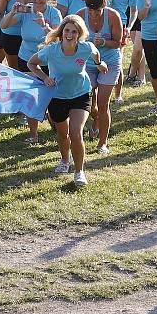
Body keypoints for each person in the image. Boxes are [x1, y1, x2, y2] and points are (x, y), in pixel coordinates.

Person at [28, 15, 107, 187]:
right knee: (62, 134)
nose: (70, 34)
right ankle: (65, 160)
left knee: (75, 133)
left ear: (79, 34)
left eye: (74, 31)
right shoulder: (51, 50)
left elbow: (96, 54)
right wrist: (44, 77)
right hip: (57, 96)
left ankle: (79, 172)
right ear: (61, 32)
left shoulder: (86, 48)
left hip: (81, 94)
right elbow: (31, 63)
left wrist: (100, 64)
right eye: (67, 30)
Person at [0, 0, 61, 143]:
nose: (38, 0)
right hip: (26, 58)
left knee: (52, 96)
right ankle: (33, 133)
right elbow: (4, 26)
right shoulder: (26, 11)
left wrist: (45, 27)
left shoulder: (54, 13)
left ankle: (53, 119)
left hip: (49, 60)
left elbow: (59, 39)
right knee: (30, 96)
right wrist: (12, 12)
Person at [79, 0, 123, 153]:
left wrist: (104, 42)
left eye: (97, 11)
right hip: (88, 63)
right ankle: (95, 119)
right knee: (87, 102)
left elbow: (118, 42)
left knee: (103, 104)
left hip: (109, 62)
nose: (94, 14)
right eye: (90, 11)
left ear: (104, 6)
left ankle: (102, 143)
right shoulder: (80, 15)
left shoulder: (112, 16)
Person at [108, 0, 138, 104]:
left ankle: (118, 94)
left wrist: (130, 27)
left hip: (120, 23)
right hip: (102, 21)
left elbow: (134, 10)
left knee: (117, 59)